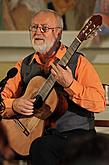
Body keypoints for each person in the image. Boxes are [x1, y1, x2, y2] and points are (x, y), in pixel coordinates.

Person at [1, 9, 105, 165]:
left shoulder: (79, 62)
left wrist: (70, 85)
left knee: (42, 147)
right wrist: (14, 104)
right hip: (34, 134)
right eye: (34, 27)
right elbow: (2, 99)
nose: (38, 32)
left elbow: (99, 102)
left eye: (44, 28)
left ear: (59, 33)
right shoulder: (24, 65)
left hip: (75, 136)